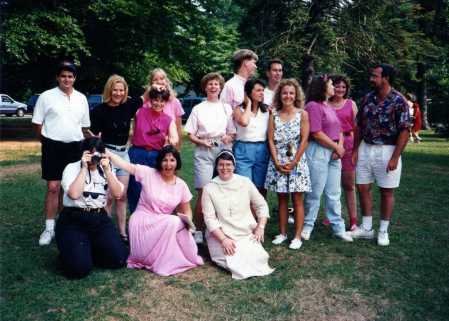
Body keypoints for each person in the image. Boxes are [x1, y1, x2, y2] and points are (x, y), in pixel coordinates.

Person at [108, 145, 204, 276]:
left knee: (177, 223)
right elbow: (126, 165)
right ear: (159, 162)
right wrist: (107, 152)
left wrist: (189, 223)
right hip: (142, 220)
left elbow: (187, 210)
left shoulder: (181, 185)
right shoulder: (149, 173)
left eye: (172, 160)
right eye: (165, 160)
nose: (168, 164)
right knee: (174, 221)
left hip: (163, 223)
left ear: (177, 163)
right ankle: (156, 259)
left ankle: (176, 256)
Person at [351, 64, 411, 246]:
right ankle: (367, 228)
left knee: (386, 191)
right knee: (362, 187)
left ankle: (383, 231)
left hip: (388, 149)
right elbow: (359, 126)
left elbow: (405, 131)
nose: (371, 79)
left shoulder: (399, 101)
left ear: (386, 78)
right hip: (366, 148)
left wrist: (394, 157)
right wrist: (355, 150)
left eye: (375, 76)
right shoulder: (367, 99)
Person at [32, 61, 90, 246]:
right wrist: (46, 141)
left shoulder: (81, 98)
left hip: (75, 147)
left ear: (75, 78)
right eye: (63, 76)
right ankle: (49, 229)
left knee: (69, 189)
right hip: (52, 147)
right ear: (58, 77)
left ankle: (65, 226)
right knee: (53, 187)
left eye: (70, 76)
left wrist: (92, 137)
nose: (67, 79)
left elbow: (84, 126)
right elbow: (37, 123)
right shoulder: (46, 97)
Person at [56, 137, 128, 278]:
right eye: (90, 154)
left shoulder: (106, 168)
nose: (93, 159)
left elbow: (118, 194)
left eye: (97, 154)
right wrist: (83, 168)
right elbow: (74, 194)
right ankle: (73, 253)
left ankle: (85, 249)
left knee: (119, 259)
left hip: (98, 218)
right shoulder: (72, 167)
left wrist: (107, 170)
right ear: (83, 153)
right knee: (79, 269)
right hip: (73, 218)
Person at [202, 150, 274, 279]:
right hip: (220, 234)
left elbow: (261, 205)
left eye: (228, 164)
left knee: (259, 259)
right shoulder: (209, 188)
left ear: (234, 166)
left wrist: (260, 226)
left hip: (244, 232)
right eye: (221, 164)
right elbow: (209, 218)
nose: (225, 168)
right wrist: (223, 239)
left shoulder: (245, 182)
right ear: (216, 166)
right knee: (231, 262)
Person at [90, 74, 143, 242]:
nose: (118, 93)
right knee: (109, 197)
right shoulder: (99, 110)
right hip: (108, 154)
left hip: (124, 155)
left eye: (121, 90)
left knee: (122, 195)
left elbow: (146, 95)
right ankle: (105, 232)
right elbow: (91, 134)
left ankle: (122, 232)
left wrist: (157, 86)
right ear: (109, 90)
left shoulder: (129, 106)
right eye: (115, 89)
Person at [185, 72, 236, 244]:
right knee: (204, 191)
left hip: (223, 149)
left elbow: (232, 131)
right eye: (210, 84)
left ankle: (222, 229)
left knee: (224, 189)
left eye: (216, 84)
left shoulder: (226, 108)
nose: (213, 87)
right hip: (204, 150)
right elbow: (190, 134)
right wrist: (202, 141)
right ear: (205, 87)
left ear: (220, 87)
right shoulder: (198, 108)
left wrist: (229, 137)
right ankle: (199, 230)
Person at [302, 75, 353, 242]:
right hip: (318, 151)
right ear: (322, 87)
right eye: (331, 84)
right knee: (315, 192)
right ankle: (307, 226)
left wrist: (340, 146)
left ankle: (338, 227)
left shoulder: (328, 106)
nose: (334, 87)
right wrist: (335, 146)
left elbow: (339, 129)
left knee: (334, 193)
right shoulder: (313, 106)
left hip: (333, 153)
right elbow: (316, 132)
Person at [265, 79, 312, 250]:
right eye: (285, 92)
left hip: (296, 162)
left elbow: (305, 140)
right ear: (280, 94)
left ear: (296, 95)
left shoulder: (302, 114)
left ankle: (297, 236)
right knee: (282, 199)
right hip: (277, 161)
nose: (288, 96)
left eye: (291, 93)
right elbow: (270, 138)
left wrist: (294, 162)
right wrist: (276, 161)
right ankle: (283, 233)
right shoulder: (274, 114)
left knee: (297, 200)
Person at [127, 86, 178, 213]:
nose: (158, 103)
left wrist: (172, 140)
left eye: (162, 101)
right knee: (135, 188)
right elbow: (136, 100)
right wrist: (151, 88)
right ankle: (136, 217)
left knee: (154, 189)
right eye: (156, 100)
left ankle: (154, 216)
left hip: (156, 156)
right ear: (150, 100)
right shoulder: (140, 112)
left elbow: (175, 137)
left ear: (165, 103)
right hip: (137, 153)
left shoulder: (168, 119)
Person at [328, 75, 358, 231]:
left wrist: (356, 150)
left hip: (347, 145)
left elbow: (357, 128)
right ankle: (331, 215)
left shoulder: (351, 104)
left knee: (348, 185)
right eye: (337, 86)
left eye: (343, 87)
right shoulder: (325, 104)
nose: (340, 89)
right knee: (329, 185)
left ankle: (353, 220)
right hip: (328, 145)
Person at [233, 79, 270, 196]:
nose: (262, 93)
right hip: (243, 149)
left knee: (261, 186)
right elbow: (244, 122)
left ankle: (260, 213)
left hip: (262, 149)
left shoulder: (267, 110)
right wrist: (248, 103)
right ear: (248, 92)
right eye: (258, 90)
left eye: (263, 90)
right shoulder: (239, 109)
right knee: (244, 186)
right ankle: (246, 213)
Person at [143, 68, 185, 148]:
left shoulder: (175, 102)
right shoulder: (146, 103)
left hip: (169, 148)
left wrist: (178, 148)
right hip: (151, 148)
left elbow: (179, 128)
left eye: (162, 78)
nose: (159, 82)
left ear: (166, 81)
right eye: (155, 79)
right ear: (151, 83)